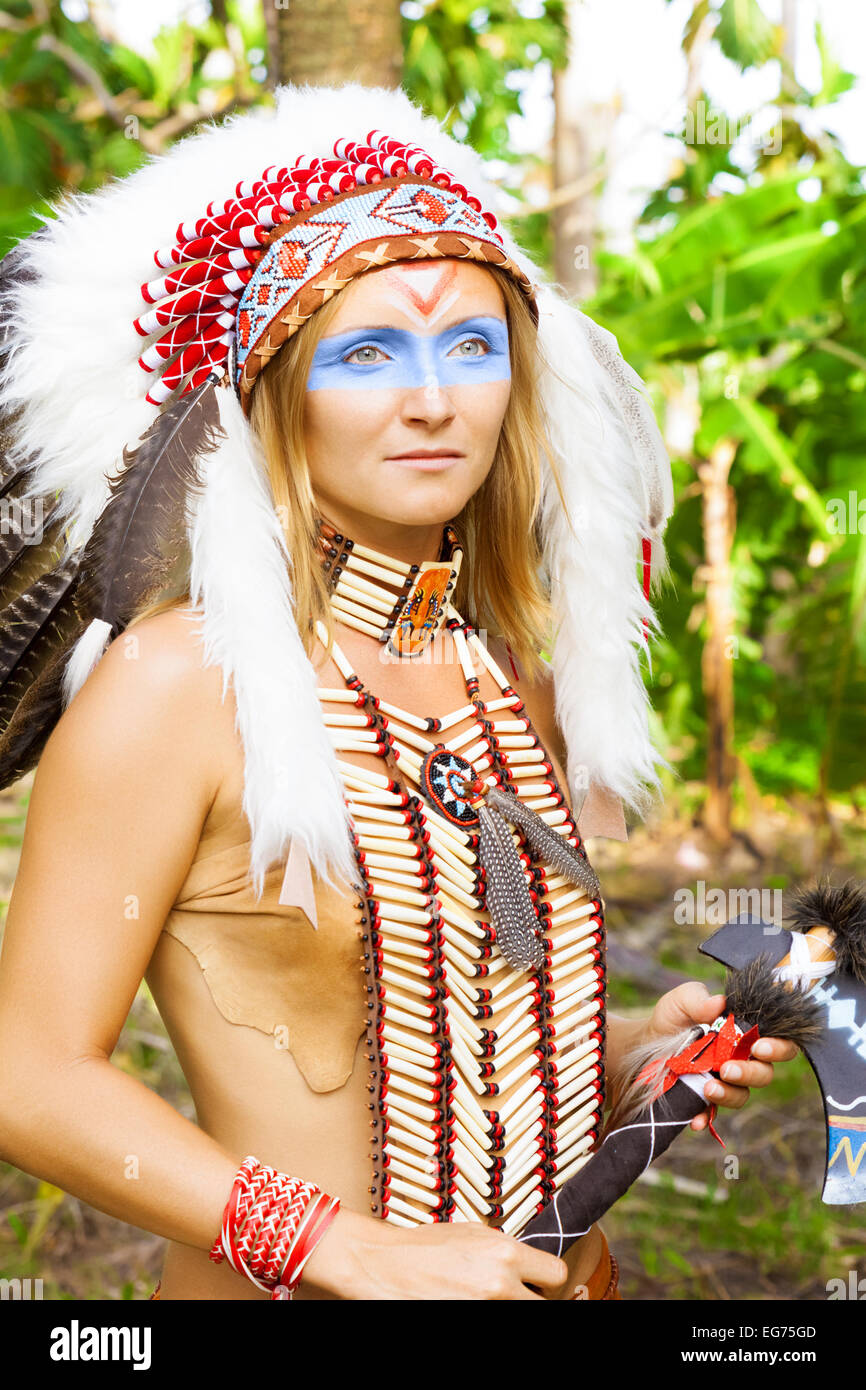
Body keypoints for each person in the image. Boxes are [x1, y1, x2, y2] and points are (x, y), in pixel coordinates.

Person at [0, 84, 796, 1301]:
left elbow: (472, 1005)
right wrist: (333, 1242)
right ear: (271, 388)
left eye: (471, 346)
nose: (433, 399)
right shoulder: (177, 685)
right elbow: (27, 1076)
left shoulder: (513, 672)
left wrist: (632, 1053)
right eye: (367, 353)